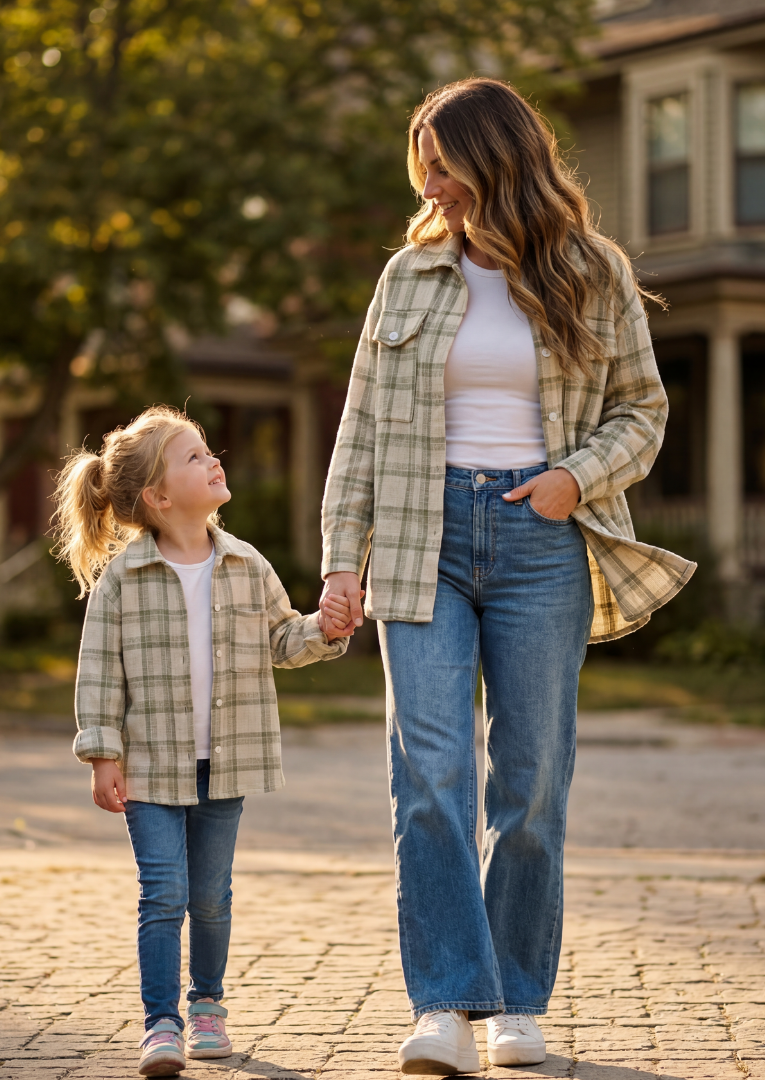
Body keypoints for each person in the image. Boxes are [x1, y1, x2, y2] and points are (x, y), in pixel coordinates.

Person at [319, 79, 695, 1076]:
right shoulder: (407, 278)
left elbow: (643, 411)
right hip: (418, 537)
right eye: (423, 168)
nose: (431, 185)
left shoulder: (591, 269)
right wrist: (338, 562)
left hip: (541, 539)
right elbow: (358, 429)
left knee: (529, 784)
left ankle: (518, 1000)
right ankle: (445, 1001)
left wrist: (577, 477)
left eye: (443, 164)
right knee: (429, 777)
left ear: (497, 158)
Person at [53, 405, 352, 1077]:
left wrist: (327, 629)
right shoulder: (122, 581)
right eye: (194, 456)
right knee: (163, 892)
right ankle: (162, 1023)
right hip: (150, 768)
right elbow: (99, 672)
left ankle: (207, 1005)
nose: (213, 460)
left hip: (227, 762)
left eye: (208, 450)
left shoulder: (247, 564)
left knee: (212, 896)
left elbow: (284, 639)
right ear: (160, 498)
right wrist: (102, 753)